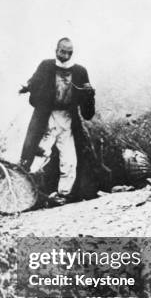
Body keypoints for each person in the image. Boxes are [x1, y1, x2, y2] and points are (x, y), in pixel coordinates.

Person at [19, 37, 100, 200]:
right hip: (45, 116)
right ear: (56, 50)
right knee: (38, 153)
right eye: (62, 51)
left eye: (68, 52)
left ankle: (65, 193)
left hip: (68, 118)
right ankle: (27, 192)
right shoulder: (46, 66)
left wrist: (89, 94)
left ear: (72, 53)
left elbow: (87, 106)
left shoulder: (80, 71)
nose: (65, 54)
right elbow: (34, 82)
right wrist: (27, 87)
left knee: (69, 158)